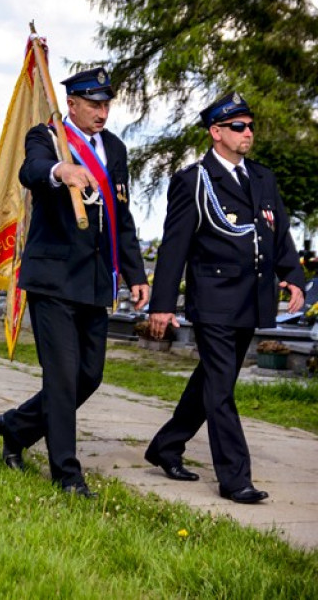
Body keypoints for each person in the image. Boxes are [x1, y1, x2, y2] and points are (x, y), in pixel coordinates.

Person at [0, 67, 148, 498]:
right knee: (61, 378)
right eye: (94, 104)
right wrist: (61, 170)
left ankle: (16, 427)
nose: (102, 112)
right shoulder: (46, 135)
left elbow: (122, 215)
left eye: (106, 104)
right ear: (73, 104)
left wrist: (135, 274)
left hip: (95, 280)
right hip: (54, 279)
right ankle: (67, 474)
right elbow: (32, 170)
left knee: (88, 377)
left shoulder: (114, 148)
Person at [144, 92, 304, 504]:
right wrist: (162, 305)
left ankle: (166, 446)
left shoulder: (262, 178)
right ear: (216, 133)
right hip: (213, 298)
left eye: (250, 125)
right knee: (221, 389)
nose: (247, 132)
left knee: (211, 382)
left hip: (251, 298)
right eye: (238, 127)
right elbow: (174, 247)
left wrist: (294, 277)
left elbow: (278, 233)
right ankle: (235, 479)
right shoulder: (193, 180)